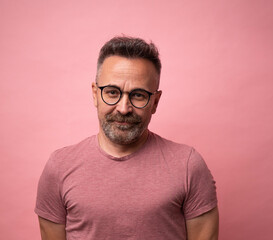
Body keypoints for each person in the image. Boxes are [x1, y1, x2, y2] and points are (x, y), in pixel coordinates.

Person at [35, 36, 219, 240]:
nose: (123, 108)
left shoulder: (188, 166)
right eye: (112, 92)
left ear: (155, 102)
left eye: (138, 95)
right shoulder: (59, 167)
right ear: (95, 94)